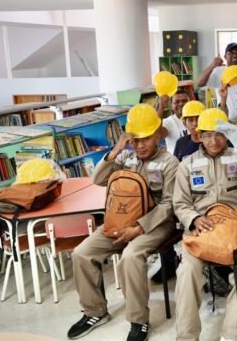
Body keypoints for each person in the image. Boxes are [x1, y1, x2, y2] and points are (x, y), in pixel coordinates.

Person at [68, 104, 179, 341]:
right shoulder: (126, 156)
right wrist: (117, 149)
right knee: (81, 253)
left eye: (145, 139)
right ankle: (94, 311)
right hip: (119, 220)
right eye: (134, 139)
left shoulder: (170, 163)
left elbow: (169, 205)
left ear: (157, 135)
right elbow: (98, 179)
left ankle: (139, 321)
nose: (139, 145)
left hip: (155, 224)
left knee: (130, 257)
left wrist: (138, 228)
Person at [173, 108, 237, 341]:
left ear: (227, 135)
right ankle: (187, 336)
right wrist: (194, 219)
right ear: (199, 136)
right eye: (207, 135)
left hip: (235, 228)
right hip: (201, 229)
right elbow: (180, 204)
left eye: (219, 134)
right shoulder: (187, 165)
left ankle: (231, 333)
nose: (214, 140)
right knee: (187, 271)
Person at [197, 42, 237, 122]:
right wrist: (212, 65)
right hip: (225, 118)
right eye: (231, 53)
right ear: (225, 56)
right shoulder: (218, 71)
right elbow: (200, 83)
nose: (235, 55)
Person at [157, 89, 190, 154]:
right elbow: (158, 136)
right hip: (177, 162)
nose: (181, 104)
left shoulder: (197, 119)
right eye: (177, 102)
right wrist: (161, 107)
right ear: (171, 106)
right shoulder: (167, 122)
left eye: (184, 101)